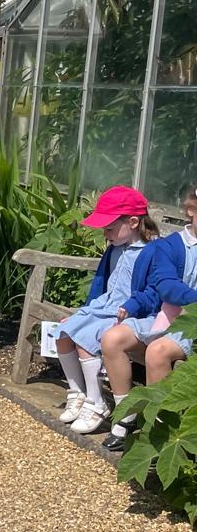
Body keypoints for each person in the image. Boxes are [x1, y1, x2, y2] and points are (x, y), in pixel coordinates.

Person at [55, 185, 159, 437]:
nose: (105, 233)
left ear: (133, 222)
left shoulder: (152, 251)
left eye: (110, 228)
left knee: (85, 340)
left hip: (130, 315)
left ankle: (96, 402)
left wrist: (131, 307)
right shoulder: (115, 247)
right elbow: (101, 287)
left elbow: (153, 293)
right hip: (105, 307)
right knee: (63, 332)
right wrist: (82, 314)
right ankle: (78, 393)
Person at [98, 183, 196, 449]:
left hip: (189, 328)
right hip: (169, 316)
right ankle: (126, 414)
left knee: (157, 351)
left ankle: (158, 431)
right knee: (112, 339)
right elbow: (166, 285)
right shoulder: (171, 246)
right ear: (191, 211)